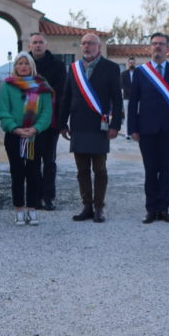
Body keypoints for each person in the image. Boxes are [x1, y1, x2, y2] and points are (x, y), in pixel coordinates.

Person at [60, 33, 123, 223]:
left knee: (100, 169)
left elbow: (117, 100)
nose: (87, 46)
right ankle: (86, 205)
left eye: (91, 43)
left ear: (99, 47)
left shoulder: (111, 68)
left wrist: (115, 125)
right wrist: (62, 123)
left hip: (100, 125)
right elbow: (66, 97)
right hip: (78, 124)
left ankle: (99, 207)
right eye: (84, 43)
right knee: (82, 170)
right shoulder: (74, 69)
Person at [129, 32, 169, 223]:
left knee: (166, 171)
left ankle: (164, 209)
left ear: (168, 49)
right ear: (150, 47)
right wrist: (132, 128)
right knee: (150, 170)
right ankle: (150, 209)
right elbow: (133, 103)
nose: (157, 47)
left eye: (161, 44)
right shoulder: (140, 72)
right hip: (146, 130)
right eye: (154, 44)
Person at [0, 52, 53, 225]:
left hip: (34, 137)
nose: (23, 66)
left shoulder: (42, 86)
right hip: (15, 137)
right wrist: (15, 128)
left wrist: (35, 128)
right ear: (15, 67)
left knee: (34, 173)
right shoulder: (7, 86)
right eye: (20, 63)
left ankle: (32, 209)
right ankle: (19, 209)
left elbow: (46, 112)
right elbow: (3, 111)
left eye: (26, 63)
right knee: (17, 173)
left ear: (32, 66)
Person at [28, 32, 67, 210]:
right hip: (28, 123)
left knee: (49, 161)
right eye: (34, 42)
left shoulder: (58, 65)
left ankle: (48, 197)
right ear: (29, 45)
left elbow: (62, 94)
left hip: (51, 121)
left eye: (40, 42)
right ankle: (35, 197)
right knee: (31, 160)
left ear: (46, 44)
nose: (37, 45)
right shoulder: (23, 64)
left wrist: (61, 121)